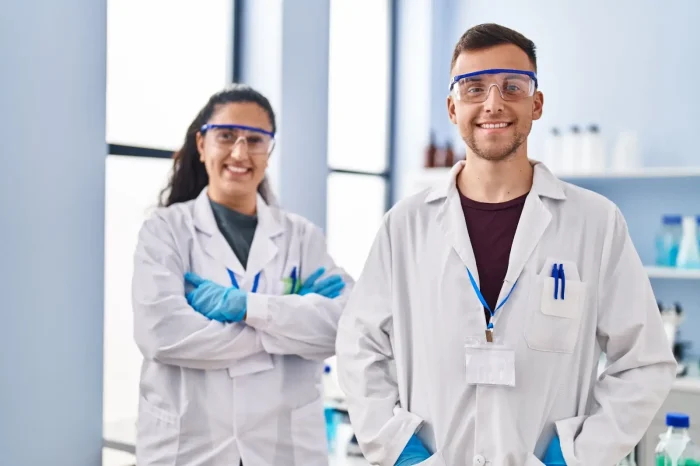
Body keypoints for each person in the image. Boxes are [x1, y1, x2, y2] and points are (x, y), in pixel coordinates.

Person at [335, 23, 676, 466]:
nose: (493, 102)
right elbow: (359, 348)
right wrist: (400, 450)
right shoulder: (406, 225)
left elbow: (645, 362)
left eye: (511, 86)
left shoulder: (596, 222)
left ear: (536, 104)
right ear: (452, 107)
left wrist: (576, 455)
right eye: (474, 88)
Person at [132, 84, 353, 466]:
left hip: (283, 448)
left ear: (269, 151)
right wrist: (287, 323)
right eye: (226, 136)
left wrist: (248, 308)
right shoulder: (165, 232)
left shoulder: (301, 237)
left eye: (255, 140)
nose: (239, 152)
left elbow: (345, 326)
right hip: (189, 448)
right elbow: (160, 334)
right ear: (202, 146)